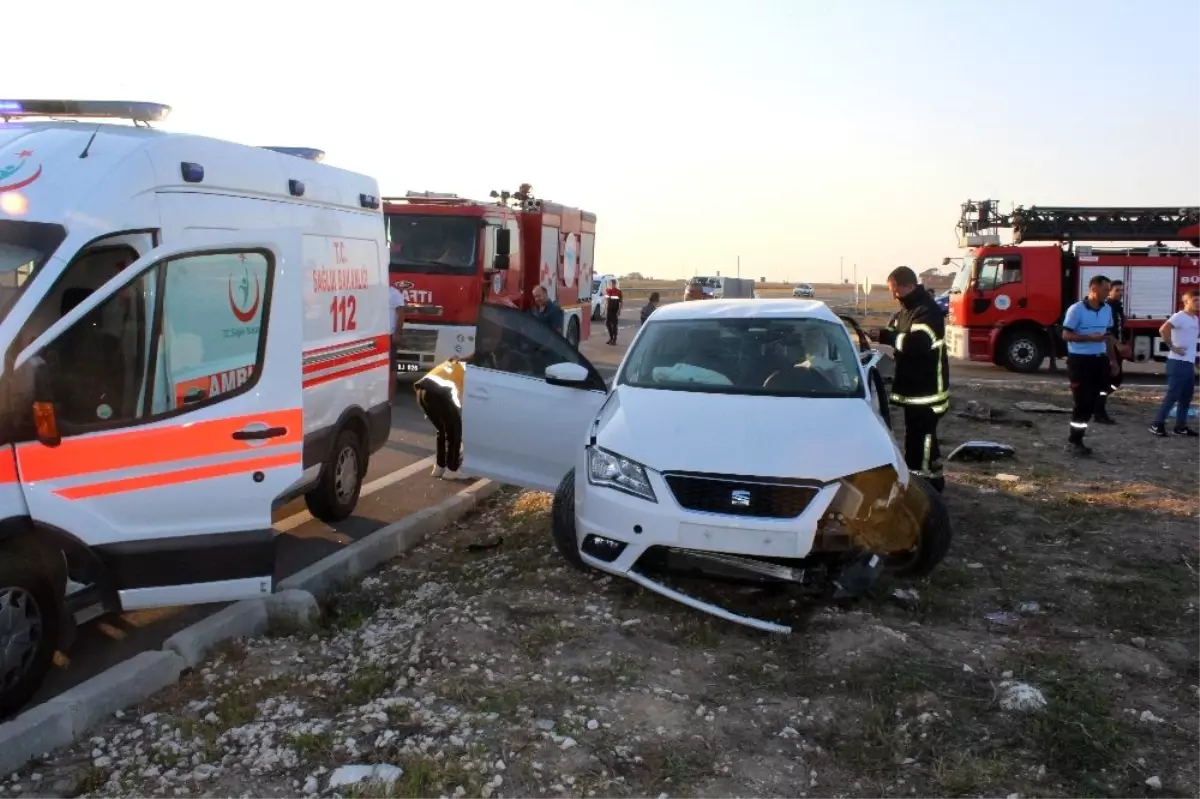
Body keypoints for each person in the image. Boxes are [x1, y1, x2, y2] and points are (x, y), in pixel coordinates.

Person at [868, 266, 950, 492]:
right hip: (914, 390)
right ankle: (917, 478)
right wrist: (881, 334)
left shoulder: (927, 311)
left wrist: (887, 337)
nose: (893, 295)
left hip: (928, 391)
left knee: (923, 438)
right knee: (914, 437)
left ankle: (929, 484)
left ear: (909, 286)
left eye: (895, 290)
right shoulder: (907, 311)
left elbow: (917, 344)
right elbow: (895, 331)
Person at [1060, 275, 1119, 456]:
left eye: (1109, 289)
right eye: (1105, 289)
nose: (1108, 293)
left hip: (1099, 360)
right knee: (1082, 402)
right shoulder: (1076, 310)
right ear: (1093, 289)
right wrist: (1088, 338)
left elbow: (1107, 337)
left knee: (1103, 392)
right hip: (1079, 361)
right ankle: (1074, 441)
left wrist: (1113, 360)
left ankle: (1090, 422)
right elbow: (1066, 335)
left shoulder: (1107, 309)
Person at [1149, 289, 1200, 437]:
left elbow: (1191, 342)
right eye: (1195, 300)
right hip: (1177, 363)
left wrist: (1195, 361)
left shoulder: (1195, 319)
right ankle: (1156, 424)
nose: (1198, 303)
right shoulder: (1179, 316)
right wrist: (1173, 347)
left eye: (1199, 300)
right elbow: (1163, 329)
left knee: (1186, 396)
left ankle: (1180, 426)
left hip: (1188, 363)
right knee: (1173, 395)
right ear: (1186, 302)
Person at [413, 359, 471, 480]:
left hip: (421, 391)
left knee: (442, 430)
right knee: (454, 431)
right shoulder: (468, 371)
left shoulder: (453, 363)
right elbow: (462, 398)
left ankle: (439, 467)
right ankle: (452, 469)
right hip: (438, 394)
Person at [1095, 279, 1126, 424]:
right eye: (1117, 290)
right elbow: (1107, 331)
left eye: (1122, 290)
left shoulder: (1118, 307)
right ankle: (1099, 410)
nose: (1120, 293)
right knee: (1108, 379)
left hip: (1116, 347)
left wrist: (1124, 343)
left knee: (1116, 380)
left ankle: (1097, 402)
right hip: (1108, 348)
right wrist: (1117, 345)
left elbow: (1119, 328)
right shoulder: (1107, 308)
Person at [388, 282, 406, 401]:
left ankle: (390, 398)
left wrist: (397, 333)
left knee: (391, 368)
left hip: (389, 335)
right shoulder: (373, 292)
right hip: (377, 335)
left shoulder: (394, 294)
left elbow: (401, 315)